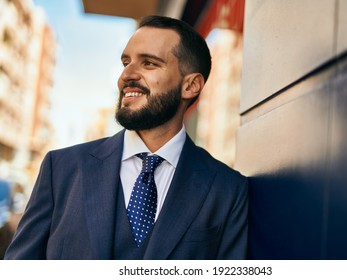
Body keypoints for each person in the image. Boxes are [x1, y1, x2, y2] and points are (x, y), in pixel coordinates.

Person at [5, 15, 248, 260]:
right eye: (126, 62)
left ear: (191, 85)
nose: (127, 75)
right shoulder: (61, 170)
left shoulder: (228, 190)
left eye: (149, 63)